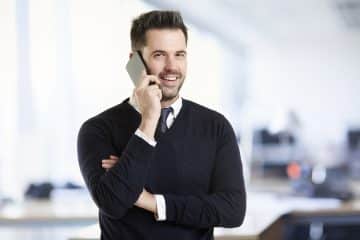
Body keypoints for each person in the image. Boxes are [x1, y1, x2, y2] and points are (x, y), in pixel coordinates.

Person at [77, 10, 246, 240]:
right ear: (134, 62)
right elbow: (114, 202)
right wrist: (148, 121)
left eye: (179, 54)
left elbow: (233, 211)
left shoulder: (215, 127)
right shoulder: (98, 129)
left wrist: (151, 201)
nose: (172, 66)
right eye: (159, 55)